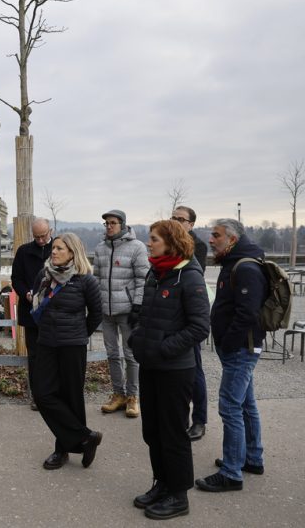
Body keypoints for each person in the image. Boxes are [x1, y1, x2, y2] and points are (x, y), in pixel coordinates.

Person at [130, 220, 210, 520]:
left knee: (173, 433)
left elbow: (200, 327)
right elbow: (143, 315)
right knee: (152, 431)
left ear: (171, 242)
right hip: (150, 365)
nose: (148, 244)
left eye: (153, 239)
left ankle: (179, 496)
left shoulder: (189, 276)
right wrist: (137, 338)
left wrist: (162, 348)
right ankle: (161, 483)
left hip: (175, 369)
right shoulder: (156, 272)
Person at [196, 219, 266, 492]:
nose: (211, 240)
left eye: (216, 235)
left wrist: (226, 342)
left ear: (232, 240)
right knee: (246, 404)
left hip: (240, 349)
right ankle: (252, 458)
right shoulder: (235, 262)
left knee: (229, 407)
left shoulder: (246, 267)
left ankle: (231, 472)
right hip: (240, 348)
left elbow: (247, 314)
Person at [32, 233, 104, 470]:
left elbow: (95, 315)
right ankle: (85, 438)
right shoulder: (43, 276)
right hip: (46, 343)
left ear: (73, 252)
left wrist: (79, 334)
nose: (54, 252)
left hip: (72, 346)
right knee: (43, 394)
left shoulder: (86, 280)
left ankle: (61, 450)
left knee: (71, 397)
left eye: (60, 248)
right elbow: (35, 305)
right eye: (53, 248)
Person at [93, 210, 150, 418]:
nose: (109, 226)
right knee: (112, 354)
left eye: (113, 223)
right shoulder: (101, 248)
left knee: (131, 354)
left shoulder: (137, 247)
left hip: (127, 311)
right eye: (106, 223)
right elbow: (96, 278)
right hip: (106, 311)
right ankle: (118, 394)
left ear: (123, 224)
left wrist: (137, 306)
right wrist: (95, 303)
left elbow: (143, 278)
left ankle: (133, 397)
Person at [171, 205, 209, 441]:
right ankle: (179, 417)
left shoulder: (199, 247)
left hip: (188, 316)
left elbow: (193, 278)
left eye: (181, 219)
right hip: (169, 315)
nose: (176, 221)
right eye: (173, 218)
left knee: (195, 370)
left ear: (191, 224)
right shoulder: (168, 241)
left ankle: (200, 420)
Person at [11, 217, 53, 411]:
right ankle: (37, 396)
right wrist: (26, 293)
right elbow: (16, 279)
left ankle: (53, 394)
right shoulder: (23, 252)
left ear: (50, 231)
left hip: (54, 312)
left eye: (44, 236)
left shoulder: (59, 248)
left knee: (53, 356)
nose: (41, 241)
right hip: (31, 312)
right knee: (35, 357)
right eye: (37, 237)